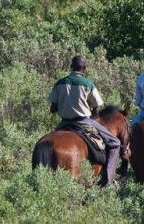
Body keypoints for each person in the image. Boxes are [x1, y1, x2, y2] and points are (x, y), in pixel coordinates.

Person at [49, 55, 121, 188]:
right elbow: (96, 108)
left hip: (64, 122)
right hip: (83, 121)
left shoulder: (59, 83)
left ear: (71, 66)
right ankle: (109, 181)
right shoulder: (88, 84)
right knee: (115, 143)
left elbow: (53, 108)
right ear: (85, 68)